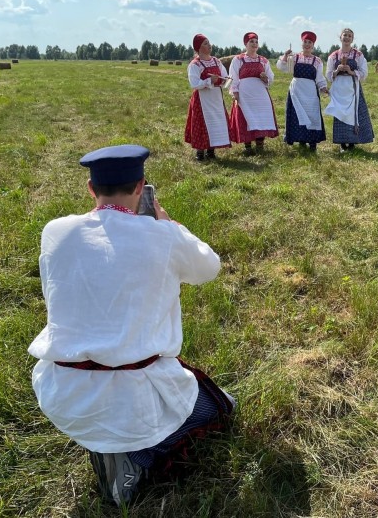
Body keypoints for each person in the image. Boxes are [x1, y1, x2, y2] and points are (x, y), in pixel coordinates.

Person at [28, 145, 235, 506]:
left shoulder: (54, 231)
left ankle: (112, 448)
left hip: (63, 391)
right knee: (219, 407)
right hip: (136, 394)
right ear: (141, 187)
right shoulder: (163, 235)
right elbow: (209, 268)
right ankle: (133, 458)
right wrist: (170, 225)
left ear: (91, 189)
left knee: (132, 407)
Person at [185, 33, 235, 161]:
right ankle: (200, 152)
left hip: (216, 97)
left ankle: (211, 150)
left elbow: (224, 74)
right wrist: (209, 80)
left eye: (209, 42)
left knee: (216, 121)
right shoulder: (195, 65)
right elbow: (194, 83)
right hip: (202, 98)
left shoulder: (216, 61)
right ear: (199, 48)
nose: (209, 45)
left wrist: (226, 80)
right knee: (202, 123)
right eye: (205, 43)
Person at [229, 32, 279, 155]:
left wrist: (265, 78)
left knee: (261, 118)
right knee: (247, 118)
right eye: (251, 41)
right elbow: (233, 76)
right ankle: (248, 147)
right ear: (245, 43)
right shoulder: (238, 59)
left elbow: (271, 77)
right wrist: (235, 91)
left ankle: (260, 145)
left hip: (260, 94)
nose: (254, 44)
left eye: (256, 41)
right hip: (245, 94)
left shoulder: (263, 60)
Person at [276, 30, 328, 150]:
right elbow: (282, 68)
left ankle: (312, 142)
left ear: (313, 45)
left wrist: (323, 87)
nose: (307, 44)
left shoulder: (317, 61)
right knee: (297, 115)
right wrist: (285, 56)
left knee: (311, 114)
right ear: (302, 43)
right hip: (297, 90)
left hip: (310, 91)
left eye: (310, 42)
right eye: (305, 41)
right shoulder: (294, 57)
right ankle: (300, 140)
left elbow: (319, 77)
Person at [325, 28, 375, 152]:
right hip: (339, 88)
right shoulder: (334, 55)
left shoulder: (358, 54)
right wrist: (337, 71)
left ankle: (352, 142)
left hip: (352, 86)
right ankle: (342, 143)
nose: (347, 37)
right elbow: (328, 74)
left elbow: (364, 72)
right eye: (345, 35)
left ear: (352, 39)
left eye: (349, 36)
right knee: (340, 114)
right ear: (340, 37)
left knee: (353, 114)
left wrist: (351, 71)